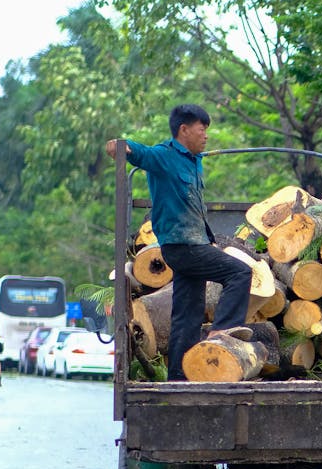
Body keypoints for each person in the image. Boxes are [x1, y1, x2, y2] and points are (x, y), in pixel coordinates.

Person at [106, 104, 253, 381]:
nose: (206, 135)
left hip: (194, 245)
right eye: (202, 129)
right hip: (182, 247)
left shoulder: (194, 161)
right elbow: (142, 154)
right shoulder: (165, 156)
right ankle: (223, 330)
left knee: (187, 316)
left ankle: (178, 377)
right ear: (184, 130)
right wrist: (121, 146)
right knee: (240, 272)